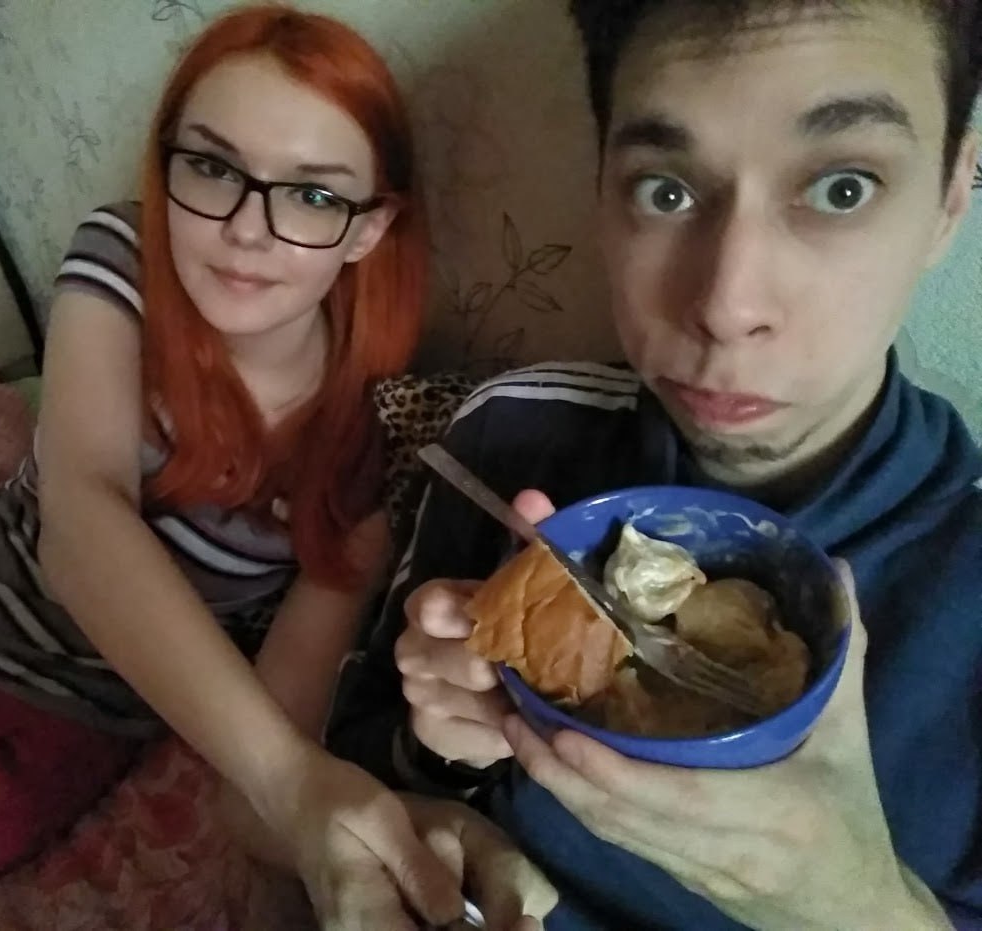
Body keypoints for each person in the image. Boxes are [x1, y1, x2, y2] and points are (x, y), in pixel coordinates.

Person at [329, 0, 982, 928]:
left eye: (842, 188)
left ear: (950, 196)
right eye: (664, 191)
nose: (725, 305)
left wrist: (855, 902)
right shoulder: (508, 439)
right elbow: (356, 764)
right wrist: (440, 762)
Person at [0, 6, 555, 929]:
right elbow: (79, 513)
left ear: (367, 230)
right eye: (212, 168)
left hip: (46, 719)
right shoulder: (123, 258)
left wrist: (403, 828)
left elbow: (270, 764)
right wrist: (291, 779)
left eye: (312, 195)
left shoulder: (367, 451)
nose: (248, 229)